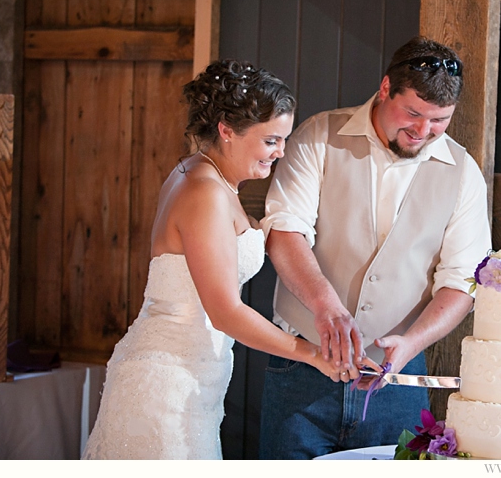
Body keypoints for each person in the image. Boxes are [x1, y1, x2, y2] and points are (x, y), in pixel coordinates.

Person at [83, 60, 370, 459]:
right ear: (227, 131)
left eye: (284, 140)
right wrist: (312, 355)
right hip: (167, 382)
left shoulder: (204, 174)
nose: (281, 153)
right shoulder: (205, 193)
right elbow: (225, 313)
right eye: (271, 140)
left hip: (194, 378)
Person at [259, 37, 492, 459]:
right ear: (385, 89)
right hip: (301, 368)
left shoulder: (464, 174)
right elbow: (284, 231)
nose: (424, 131)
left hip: (398, 382)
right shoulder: (319, 136)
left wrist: (412, 344)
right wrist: (325, 307)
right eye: (413, 113)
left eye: (439, 120)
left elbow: (462, 283)